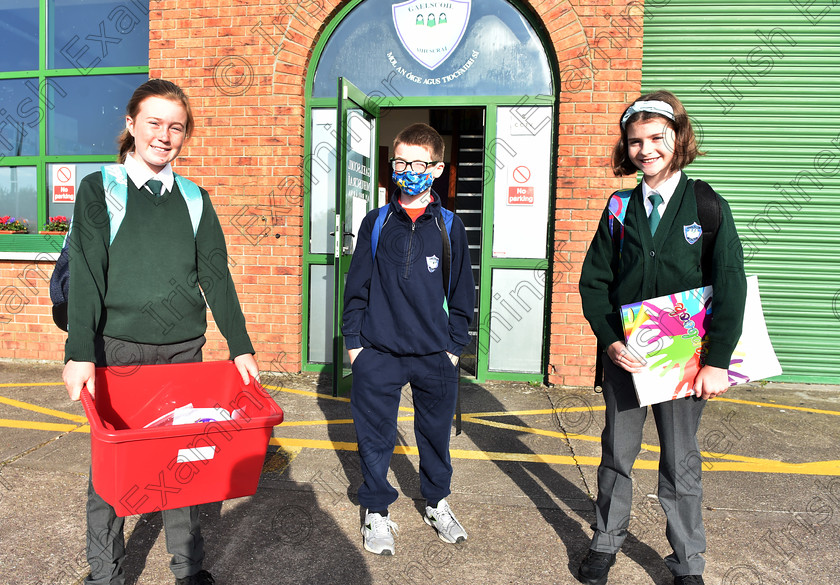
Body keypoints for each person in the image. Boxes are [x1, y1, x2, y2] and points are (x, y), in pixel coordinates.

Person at [62, 79, 259, 585]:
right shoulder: (97, 189)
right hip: (117, 353)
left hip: (181, 353)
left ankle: (188, 570)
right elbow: (86, 275)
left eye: (176, 126)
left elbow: (215, 274)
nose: (164, 135)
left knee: (183, 466)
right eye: (154, 122)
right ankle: (105, 574)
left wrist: (241, 347)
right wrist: (80, 352)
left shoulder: (194, 198)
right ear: (131, 125)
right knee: (114, 474)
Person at [577, 90, 747, 585]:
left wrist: (717, 362)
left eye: (656, 138)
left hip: (684, 362)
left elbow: (730, 282)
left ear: (678, 138)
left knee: (680, 462)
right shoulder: (618, 207)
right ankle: (606, 542)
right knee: (617, 455)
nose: (645, 149)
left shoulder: (707, 204)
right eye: (635, 141)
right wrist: (609, 339)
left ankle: (688, 562)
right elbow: (594, 283)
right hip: (625, 359)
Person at [342, 122, 475, 556]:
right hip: (378, 352)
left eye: (419, 164)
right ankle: (376, 511)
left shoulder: (450, 225)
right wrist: (354, 346)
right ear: (392, 164)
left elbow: (462, 294)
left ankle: (437, 502)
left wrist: (455, 348)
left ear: (437, 169)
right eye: (401, 162)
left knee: (434, 436)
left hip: (435, 355)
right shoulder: (376, 221)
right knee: (375, 437)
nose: (409, 171)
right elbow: (356, 286)